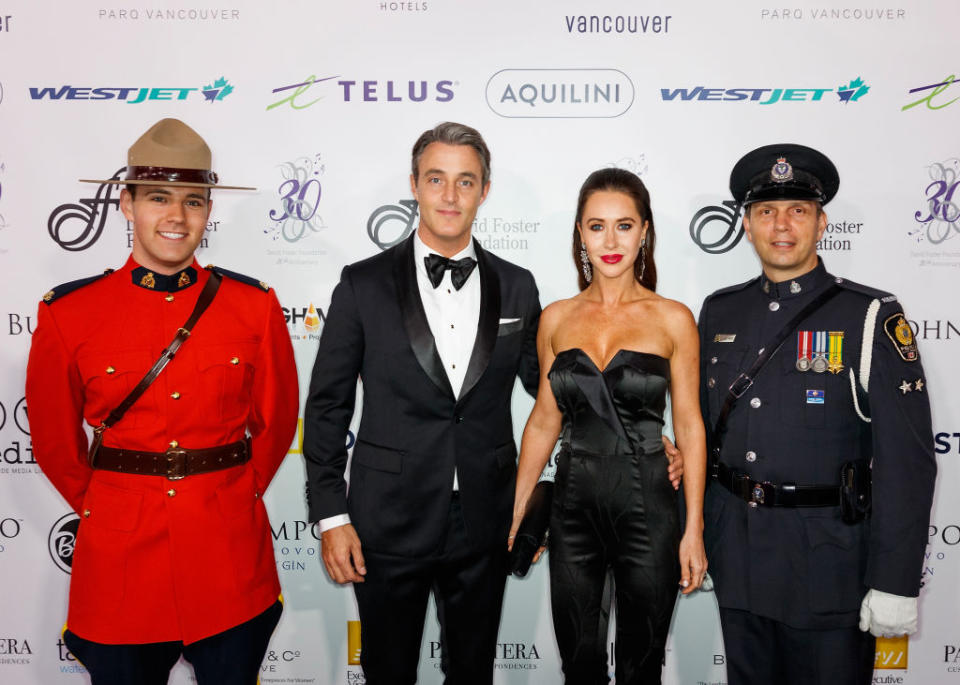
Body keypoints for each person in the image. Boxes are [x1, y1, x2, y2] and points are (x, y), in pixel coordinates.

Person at [303, 124, 684, 684]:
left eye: (465, 181)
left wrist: (645, 435)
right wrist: (332, 516)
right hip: (388, 517)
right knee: (387, 672)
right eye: (436, 180)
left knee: (474, 673)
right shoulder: (362, 284)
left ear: (485, 191)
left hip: (486, 517)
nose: (450, 196)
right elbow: (327, 406)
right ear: (414, 185)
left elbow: (555, 387)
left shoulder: (517, 285)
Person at [25, 118, 299, 685]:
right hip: (120, 563)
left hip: (228, 556)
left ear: (207, 211)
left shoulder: (255, 306)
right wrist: (111, 505)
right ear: (126, 205)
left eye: (193, 202)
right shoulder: (67, 313)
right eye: (157, 199)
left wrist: (233, 496)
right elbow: (54, 440)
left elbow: (275, 425)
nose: (176, 218)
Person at [699, 144, 937, 684]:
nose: (781, 224)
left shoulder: (870, 314)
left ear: (821, 222)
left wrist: (896, 581)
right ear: (747, 223)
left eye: (797, 210)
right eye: (766, 211)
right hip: (739, 555)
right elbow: (703, 434)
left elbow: (908, 462)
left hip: (829, 567)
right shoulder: (720, 310)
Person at [509, 167, 707, 684]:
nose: (611, 240)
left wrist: (693, 528)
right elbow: (541, 423)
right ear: (580, 233)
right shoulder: (555, 318)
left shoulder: (673, 318)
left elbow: (689, 424)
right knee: (579, 665)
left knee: (643, 667)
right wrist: (519, 507)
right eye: (597, 226)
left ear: (644, 232)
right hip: (573, 509)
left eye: (624, 225)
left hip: (651, 509)